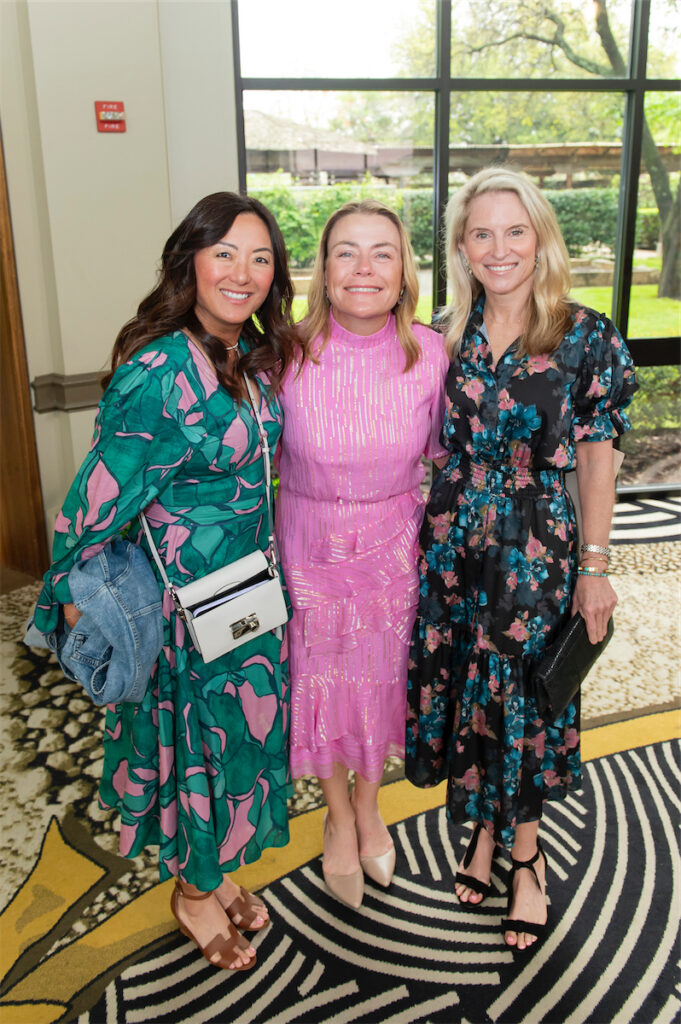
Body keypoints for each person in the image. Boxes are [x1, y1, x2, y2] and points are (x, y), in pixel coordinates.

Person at [30, 192, 298, 971]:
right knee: (196, 754)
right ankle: (192, 894)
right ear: (190, 261)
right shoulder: (158, 369)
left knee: (238, 751)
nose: (243, 273)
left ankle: (217, 877)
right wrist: (80, 606)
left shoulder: (246, 355)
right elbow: (92, 505)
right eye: (225, 254)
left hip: (245, 599)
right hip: (184, 616)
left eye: (260, 257)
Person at [406, 167, 637, 951]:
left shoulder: (584, 334)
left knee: (529, 701)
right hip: (451, 548)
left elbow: (597, 457)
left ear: (539, 237)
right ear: (461, 248)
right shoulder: (443, 332)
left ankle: (527, 857)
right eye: (480, 233)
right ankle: (479, 834)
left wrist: (597, 565)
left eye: (514, 230)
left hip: (536, 551)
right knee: (470, 692)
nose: (498, 248)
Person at [276, 199, 449, 908]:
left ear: (404, 268)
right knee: (318, 682)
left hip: (393, 548)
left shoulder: (429, 352)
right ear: (322, 267)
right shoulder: (281, 352)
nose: (364, 267)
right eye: (346, 251)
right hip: (306, 544)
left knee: (378, 682)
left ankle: (370, 803)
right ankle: (336, 815)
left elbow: (446, 452)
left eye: (382, 251)